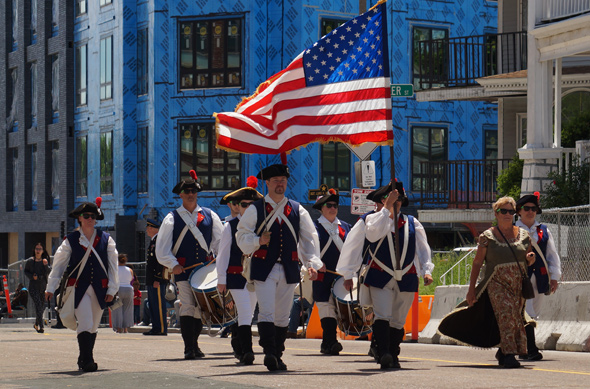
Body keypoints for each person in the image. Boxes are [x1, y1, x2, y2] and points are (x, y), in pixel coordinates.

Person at [236, 163, 323, 371]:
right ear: (267, 183)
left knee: (283, 314)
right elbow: (241, 236)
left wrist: (312, 264)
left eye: (283, 181)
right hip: (264, 267)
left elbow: (308, 239)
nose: (280, 185)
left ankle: (277, 353)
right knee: (266, 312)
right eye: (276, 181)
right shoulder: (256, 209)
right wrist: (258, 241)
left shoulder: (296, 208)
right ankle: (268, 352)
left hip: (289, 268)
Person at [438, 196, 536, 368]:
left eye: (510, 211)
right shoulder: (487, 236)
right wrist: (471, 290)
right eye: (503, 211)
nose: (507, 214)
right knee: (506, 313)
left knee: (515, 317)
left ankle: (503, 350)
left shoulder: (524, 235)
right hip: (496, 283)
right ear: (496, 213)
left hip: (517, 284)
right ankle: (508, 354)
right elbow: (477, 263)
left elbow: (528, 258)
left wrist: (530, 259)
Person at [359, 182, 434, 369]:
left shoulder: (412, 222)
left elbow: (423, 249)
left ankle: (393, 352)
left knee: (399, 319)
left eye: (399, 199)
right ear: (384, 200)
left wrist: (427, 270)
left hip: (407, 276)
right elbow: (372, 234)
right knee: (382, 314)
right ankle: (383, 352)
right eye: (393, 198)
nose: (397, 202)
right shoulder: (375, 219)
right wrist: (386, 210)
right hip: (380, 275)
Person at [45, 198, 118, 372]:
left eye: (93, 216)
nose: (90, 219)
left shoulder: (106, 239)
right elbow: (59, 265)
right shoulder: (70, 240)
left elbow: (113, 266)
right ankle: (88, 360)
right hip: (78, 287)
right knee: (85, 322)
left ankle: (83, 357)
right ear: (79, 218)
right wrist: (50, 287)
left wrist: (112, 289)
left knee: (93, 326)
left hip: (100, 288)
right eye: (86, 216)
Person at [156, 170, 223, 359]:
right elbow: (162, 249)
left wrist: (217, 257)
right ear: (181, 195)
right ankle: (189, 348)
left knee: (200, 309)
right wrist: (173, 264)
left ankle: (195, 345)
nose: (190, 194)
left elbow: (220, 241)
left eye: (193, 191)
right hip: (183, 271)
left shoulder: (210, 215)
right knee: (187, 306)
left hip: (204, 270)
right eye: (187, 192)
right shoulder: (171, 218)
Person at [336, 183, 392, 359]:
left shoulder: (403, 220)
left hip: (398, 275)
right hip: (373, 271)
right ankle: (378, 346)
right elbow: (352, 247)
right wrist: (348, 274)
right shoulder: (367, 220)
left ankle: (381, 346)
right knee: (376, 311)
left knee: (389, 314)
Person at [216, 176, 263, 365]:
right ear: (238, 206)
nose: (248, 208)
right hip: (236, 277)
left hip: (255, 277)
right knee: (244, 312)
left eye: (253, 205)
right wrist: (221, 279)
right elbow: (223, 255)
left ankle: (241, 348)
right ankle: (247, 351)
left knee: (248, 314)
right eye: (244, 204)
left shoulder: (262, 226)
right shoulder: (230, 226)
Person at [515, 192, 561, 361]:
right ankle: (530, 349)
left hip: (540, 277)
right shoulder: (513, 230)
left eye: (533, 209)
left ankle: (522, 346)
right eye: (527, 208)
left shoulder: (543, 230)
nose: (530, 212)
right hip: (520, 278)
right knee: (526, 311)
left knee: (534, 313)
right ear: (519, 211)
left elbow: (552, 255)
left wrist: (554, 277)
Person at [312, 188, 352, 355]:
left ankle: (328, 342)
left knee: (339, 308)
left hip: (341, 275)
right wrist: (312, 264)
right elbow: (306, 249)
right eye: (328, 205)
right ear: (321, 208)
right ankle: (330, 341)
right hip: (322, 274)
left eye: (335, 205)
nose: (332, 208)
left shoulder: (346, 227)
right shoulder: (313, 227)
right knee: (326, 308)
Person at [144, 218, 168, 336]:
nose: (147, 230)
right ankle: (155, 327)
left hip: (156, 279)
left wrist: (158, 278)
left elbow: (160, 262)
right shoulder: (154, 241)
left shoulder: (159, 241)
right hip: (151, 279)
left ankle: (161, 328)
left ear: (153, 229)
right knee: (153, 304)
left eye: (149, 228)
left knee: (158, 304)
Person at [25, 243, 50, 333]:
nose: (38, 250)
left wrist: (46, 265)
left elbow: (49, 271)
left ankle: (36, 324)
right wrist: (32, 276)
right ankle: (41, 326)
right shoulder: (30, 261)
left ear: (43, 251)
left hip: (43, 287)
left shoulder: (45, 261)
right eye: (36, 249)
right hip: (33, 288)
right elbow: (26, 271)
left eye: (40, 249)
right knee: (38, 305)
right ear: (34, 250)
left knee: (42, 307)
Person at [112, 254, 135, 334]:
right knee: (127, 309)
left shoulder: (115, 269)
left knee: (117, 309)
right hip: (128, 289)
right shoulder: (130, 270)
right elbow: (131, 278)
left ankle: (118, 328)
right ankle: (126, 328)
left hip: (118, 289)